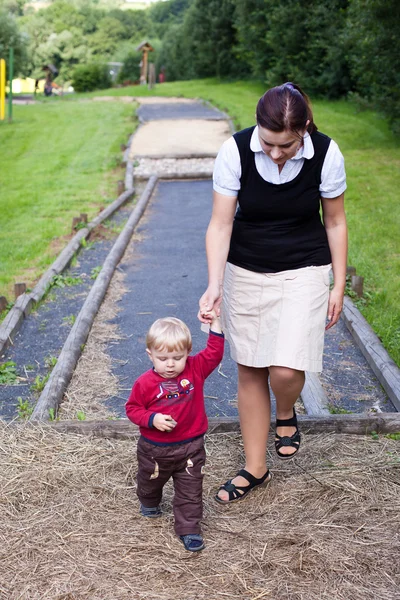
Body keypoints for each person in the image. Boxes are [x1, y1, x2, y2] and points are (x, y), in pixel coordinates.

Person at [198, 82, 347, 504]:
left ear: (304, 131)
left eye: (285, 145)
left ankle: (286, 410)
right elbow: (221, 223)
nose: (275, 153)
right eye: (268, 143)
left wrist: (338, 283)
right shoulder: (235, 150)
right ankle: (255, 467)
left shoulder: (326, 153)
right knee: (251, 366)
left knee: (285, 369)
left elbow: (334, 221)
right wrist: (214, 285)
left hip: (306, 265)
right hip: (245, 268)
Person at [126, 315, 224, 552]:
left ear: (188, 353)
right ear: (150, 355)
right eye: (163, 359)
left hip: (191, 447)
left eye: (177, 358)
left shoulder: (195, 369)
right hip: (154, 450)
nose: (170, 364)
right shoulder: (145, 383)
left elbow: (214, 353)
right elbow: (132, 409)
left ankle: (189, 529)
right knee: (150, 481)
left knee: (191, 489)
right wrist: (152, 419)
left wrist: (215, 325)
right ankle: (149, 502)